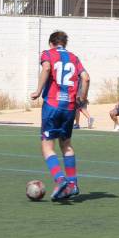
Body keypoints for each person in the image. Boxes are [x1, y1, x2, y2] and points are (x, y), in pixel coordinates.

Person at [30, 30, 90, 201]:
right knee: (67, 146)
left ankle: (60, 179)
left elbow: (47, 67)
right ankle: (73, 184)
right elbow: (85, 78)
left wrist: (38, 90)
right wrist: (82, 98)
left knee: (47, 147)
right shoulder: (74, 57)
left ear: (51, 43)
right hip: (70, 107)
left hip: (52, 105)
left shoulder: (48, 54)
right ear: (65, 44)